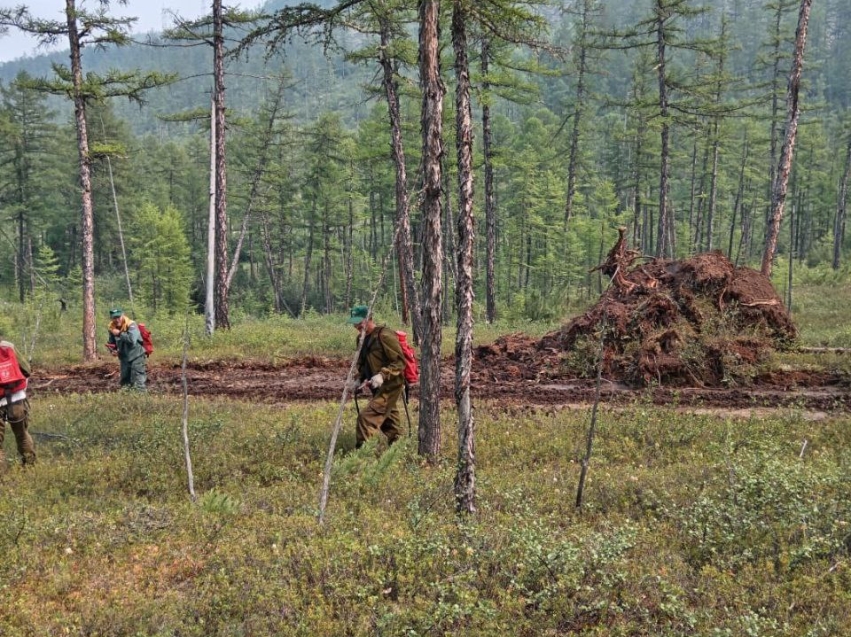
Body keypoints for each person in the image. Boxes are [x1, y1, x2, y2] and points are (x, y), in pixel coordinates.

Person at [348, 305, 406, 448]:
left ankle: (362, 457)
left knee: (366, 418)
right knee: (389, 422)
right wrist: (359, 379)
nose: (356, 326)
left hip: (390, 386)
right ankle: (398, 450)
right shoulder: (360, 339)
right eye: (354, 322)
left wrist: (382, 375)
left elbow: (399, 362)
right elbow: (363, 363)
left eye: (359, 322)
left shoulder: (384, 335)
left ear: (369, 319)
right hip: (376, 386)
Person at [0, 334, 36, 469]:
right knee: (21, 435)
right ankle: (30, 469)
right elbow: (26, 369)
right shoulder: (8, 346)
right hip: (16, 398)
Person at [107, 308, 147, 391]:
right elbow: (112, 343)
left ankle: (142, 400)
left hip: (136, 356)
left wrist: (119, 333)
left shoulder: (131, 325)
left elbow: (132, 340)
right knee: (125, 381)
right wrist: (112, 350)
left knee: (137, 380)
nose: (117, 320)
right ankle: (127, 400)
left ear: (123, 315)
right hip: (124, 357)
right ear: (112, 318)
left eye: (118, 317)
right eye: (114, 318)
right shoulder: (112, 327)